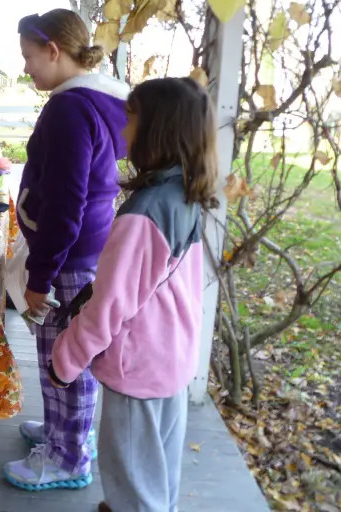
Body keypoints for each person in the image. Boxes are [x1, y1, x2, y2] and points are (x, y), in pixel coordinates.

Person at [49, 77, 219, 511]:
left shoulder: (144, 214)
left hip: (139, 367)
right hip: (172, 358)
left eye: (131, 119)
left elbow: (109, 308)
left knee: (133, 484)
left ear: (157, 129)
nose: (124, 131)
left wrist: (64, 361)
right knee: (157, 470)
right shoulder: (184, 194)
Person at [3, 9, 129, 491]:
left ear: (54, 50)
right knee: (63, 353)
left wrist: (38, 279)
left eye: (29, 57)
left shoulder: (69, 109)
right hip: (87, 249)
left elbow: (65, 202)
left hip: (69, 258)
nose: (27, 68)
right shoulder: (98, 98)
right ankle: (61, 432)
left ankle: (68, 457)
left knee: (67, 359)